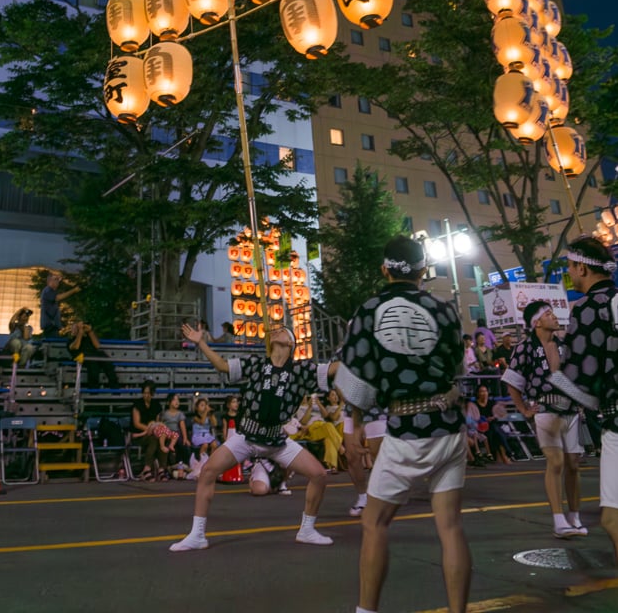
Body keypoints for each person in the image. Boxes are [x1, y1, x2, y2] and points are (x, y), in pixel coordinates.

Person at [335, 234, 470, 613]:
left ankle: (366, 610)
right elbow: (458, 365)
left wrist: (357, 422)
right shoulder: (444, 309)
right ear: (423, 269)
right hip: (448, 425)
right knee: (450, 527)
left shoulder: (369, 309)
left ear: (385, 269)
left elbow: (356, 378)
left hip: (406, 427)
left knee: (375, 523)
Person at [169, 322, 338, 551]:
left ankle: (307, 529)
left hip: (277, 441)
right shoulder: (256, 363)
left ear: (290, 343)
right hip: (247, 436)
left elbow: (331, 369)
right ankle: (197, 534)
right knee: (208, 471)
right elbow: (222, 366)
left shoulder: (301, 370)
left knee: (319, 475)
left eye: (283, 331)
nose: (276, 330)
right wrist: (201, 342)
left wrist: (357, 352)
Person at [549, 235, 618, 560]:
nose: (570, 274)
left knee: (613, 517)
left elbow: (582, 367)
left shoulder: (589, 307)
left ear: (582, 268)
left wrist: (558, 409)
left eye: (570, 267)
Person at [502, 298, 585, 537]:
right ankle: (559, 520)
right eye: (548, 314)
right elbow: (512, 383)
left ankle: (575, 517)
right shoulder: (525, 348)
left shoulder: (565, 344)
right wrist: (525, 410)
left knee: (573, 464)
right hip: (545, 410)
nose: (553, 316)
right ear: (536, 322)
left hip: (570, 411)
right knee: (556, 462)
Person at [131, 381, 176, 482]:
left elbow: (158, 420)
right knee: (153, 439)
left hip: (153, 432)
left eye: (148, 393)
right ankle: (147, 469)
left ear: (152, 393)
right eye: (144, 392)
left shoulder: (156, 405)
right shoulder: (137, 405)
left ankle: (161, 469)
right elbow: (136, 423)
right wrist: (149, 428)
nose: (146, 395)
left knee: (162, 438)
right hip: (140, 434)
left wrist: (155, 427)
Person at [68, 321, 118, 389]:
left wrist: (90, 331)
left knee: (107, 361)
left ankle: (114, 386)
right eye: (76, 328)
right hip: (84, 358)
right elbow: (76, 346)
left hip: (94, 355)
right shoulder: (70, 341)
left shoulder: (88, 339)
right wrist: (80, 332)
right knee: (93, 365)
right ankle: (94, 389)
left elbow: (97, 346)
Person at [40, 271, 81, 338]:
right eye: (56, 279)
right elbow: (58, 297)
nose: (58, 282)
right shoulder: (47, 290)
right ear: (50, 281)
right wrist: (74, 290)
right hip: (50, 326)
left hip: (52, 326)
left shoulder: (51, 291)